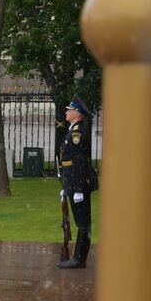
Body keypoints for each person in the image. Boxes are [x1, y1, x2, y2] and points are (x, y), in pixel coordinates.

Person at [58, 97, 98, 268]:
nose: (66, 112)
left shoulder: (78, 132)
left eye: (69, 109)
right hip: (73, 183)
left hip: (78, 184)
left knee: (82, 222)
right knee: (79, 221)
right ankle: (78, 257)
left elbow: (79, 162)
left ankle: (79, 259)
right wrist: (67, 187)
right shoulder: (73, 129)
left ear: (77, 114)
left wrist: (79, 188)